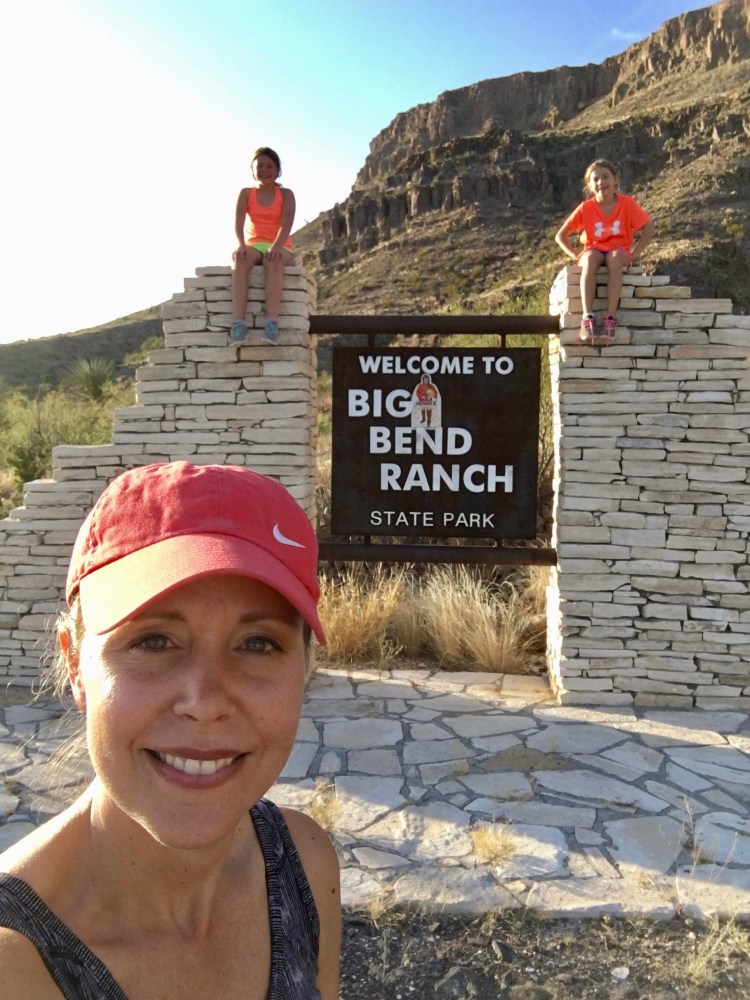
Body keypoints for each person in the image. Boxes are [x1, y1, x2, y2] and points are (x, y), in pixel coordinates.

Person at [0, 461, 340, 999]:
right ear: (75, 666)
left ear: (304, 668)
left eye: (258, 644)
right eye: (154, 641)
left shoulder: (304, 863)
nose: (204, 703)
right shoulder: (13, 964)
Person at [555, 159, 655, 345]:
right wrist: (576, 256)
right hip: (593, 248)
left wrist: (635, 254)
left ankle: (610, 318)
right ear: (590, 186)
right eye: (596, 179)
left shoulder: (627, 203)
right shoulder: (586, 208)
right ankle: (588, 318)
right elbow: (560, 236)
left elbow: (648, 228)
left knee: (616, 259)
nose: (601, 182)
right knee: (590, 258)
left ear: (615, 179)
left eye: (606, 177)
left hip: (619, 250)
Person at [231, 147, 296, 346]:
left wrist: (276, 246)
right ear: (252, 169)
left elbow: (287, 224)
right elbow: (238, 223)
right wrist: (241, 245)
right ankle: (238, 324)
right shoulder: (245, 193)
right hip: (254, 244)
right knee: (240, 261)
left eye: (269, 166)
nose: (264, 170)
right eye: (260, 166)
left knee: (273, 261)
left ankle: (271, 324)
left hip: (280, 245)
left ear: (277, 170)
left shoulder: (286, 194)